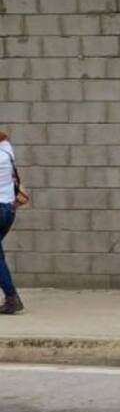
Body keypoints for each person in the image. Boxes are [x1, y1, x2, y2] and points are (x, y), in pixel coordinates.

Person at [0, 129, 25, 314]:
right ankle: (11, 298)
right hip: (8, 210)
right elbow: (5, 134)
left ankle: (11, 297)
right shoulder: (7, 150)